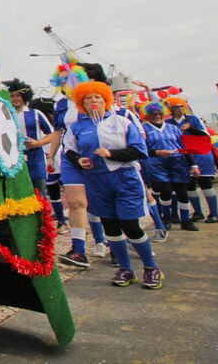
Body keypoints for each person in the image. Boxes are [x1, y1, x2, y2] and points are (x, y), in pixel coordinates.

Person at [63, 81, 163, 289]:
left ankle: (151, 268)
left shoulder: (122, 121)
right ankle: (125, 269)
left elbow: (140, 150)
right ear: (82, 103)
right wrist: (80, 160)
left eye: (97, 97)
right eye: (88, 98)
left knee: (130, 226)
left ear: (105, 100)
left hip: (125, 179)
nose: (93, 101)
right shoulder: (77, 127)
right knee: (110, 227)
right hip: (96, 181)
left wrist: (111, 154)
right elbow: (69, 149)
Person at [48, 62, 108, 266]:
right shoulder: (60, 105)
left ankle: (107, 241)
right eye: (62, 79)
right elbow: (58, 131)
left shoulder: (93, 100)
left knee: (99, 201)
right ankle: (79, 250)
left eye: (70, 77)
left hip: (96, 154)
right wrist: (51, 156)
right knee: (75, 202)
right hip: (69, 157)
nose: (66, 82)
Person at [142, 101, 199, 239]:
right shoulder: (144, 129)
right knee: (166, 190)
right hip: (156, 163)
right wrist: (157, 152)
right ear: (148, 116)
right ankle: (166, 217)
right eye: (153, 114)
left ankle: (185, 220)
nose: (157, 116)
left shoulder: (173, 128)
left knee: (182, 191)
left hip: (177, 161)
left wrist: (193, 165)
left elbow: (183, 147)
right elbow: (141, 149)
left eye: (160, 114)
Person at [167, 98, 218, 223]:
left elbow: (205, 135)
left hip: (200, 155)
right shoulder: (169, 122)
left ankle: (214, 214)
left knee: (205, 183)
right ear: (171, 109)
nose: (180, 109)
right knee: (189, 186)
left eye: (181, 106)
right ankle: (198, 212)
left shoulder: (193, 119)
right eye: (176, 107)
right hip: (183, 157)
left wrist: (190, 129)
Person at [4, 79, 53, 198]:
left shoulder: (35, 113)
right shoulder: (4, 116)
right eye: (12, 96)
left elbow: (52, 134)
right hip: (14, 160)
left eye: (18, 95)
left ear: (24, 97)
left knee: (39, 193)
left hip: (36, 159)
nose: (15, 99)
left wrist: (37, 143)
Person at [31, 97, 68, 229]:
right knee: (53, 191)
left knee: (62, 190)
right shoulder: (37, 122)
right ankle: (61, 221)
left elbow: (53, 136)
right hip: (49, 158)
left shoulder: (53, 124)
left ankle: (64, 220)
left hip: (58, 157)